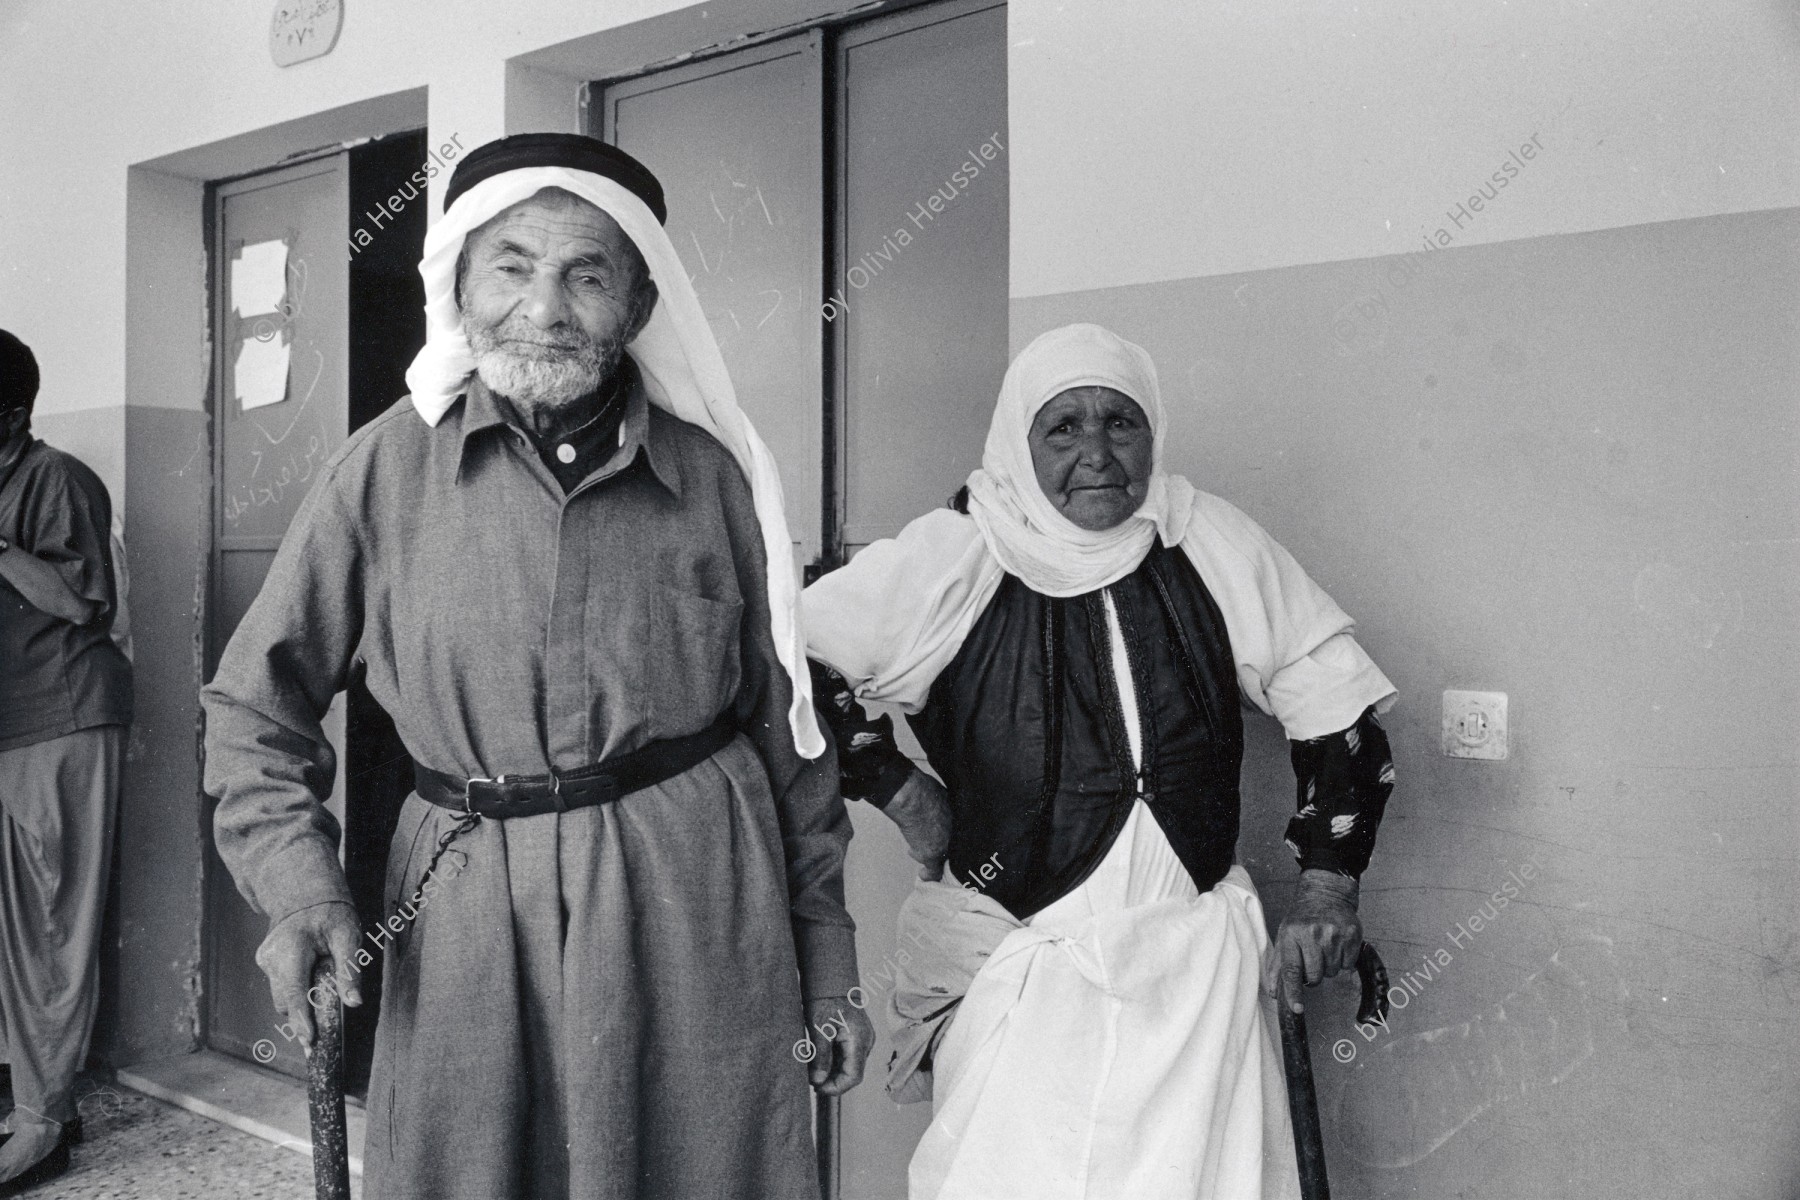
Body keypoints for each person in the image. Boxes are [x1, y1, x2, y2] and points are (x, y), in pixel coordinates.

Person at [201, 134, 872, 1200]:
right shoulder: (381, 470)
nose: (546, 306)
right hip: (460, 909)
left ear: (640, 303)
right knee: (471, 1169)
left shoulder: (719, 481)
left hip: (693, 900)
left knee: (698, 1167)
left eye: (588, 274)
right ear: (460, 284)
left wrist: (828, 966)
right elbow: (253, 704)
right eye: (511, 266)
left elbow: (792, 742)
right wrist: (298, 888)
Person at [804, 323, 1399, 1199]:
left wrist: (1327, 888)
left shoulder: (1206, 539)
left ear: (1152, 432)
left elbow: (1340, 712)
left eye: (1120, 423)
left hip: (1195, 976)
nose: (1097, 453)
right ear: (1019, 440)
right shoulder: (957, 552)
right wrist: (901, 792)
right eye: (1063, 427)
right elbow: (788, 668)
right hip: (1023, 967)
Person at [0, 328, 133, 1194]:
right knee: (16, 926)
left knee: (52, 923)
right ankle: (38, 1095)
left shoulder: (57, 480)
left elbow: (81, 602)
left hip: (64, 719)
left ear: (11, 415)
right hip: (15, 726)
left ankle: (45, 1123)